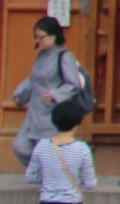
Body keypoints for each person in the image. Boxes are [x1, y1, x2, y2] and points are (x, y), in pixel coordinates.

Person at [11, 13, 90, 168]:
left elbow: (73, 84)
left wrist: (55, 94)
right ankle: (42, 175)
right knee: (20, 146)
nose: (38, 41)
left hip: (51, 112)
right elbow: (33, 79)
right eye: (36, 37)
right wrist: (20, 95)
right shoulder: (41, 55)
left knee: (49, 152)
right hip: (35, 110)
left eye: (42, 37)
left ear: (54, 35)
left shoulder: (64, 56)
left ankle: (50, 178)